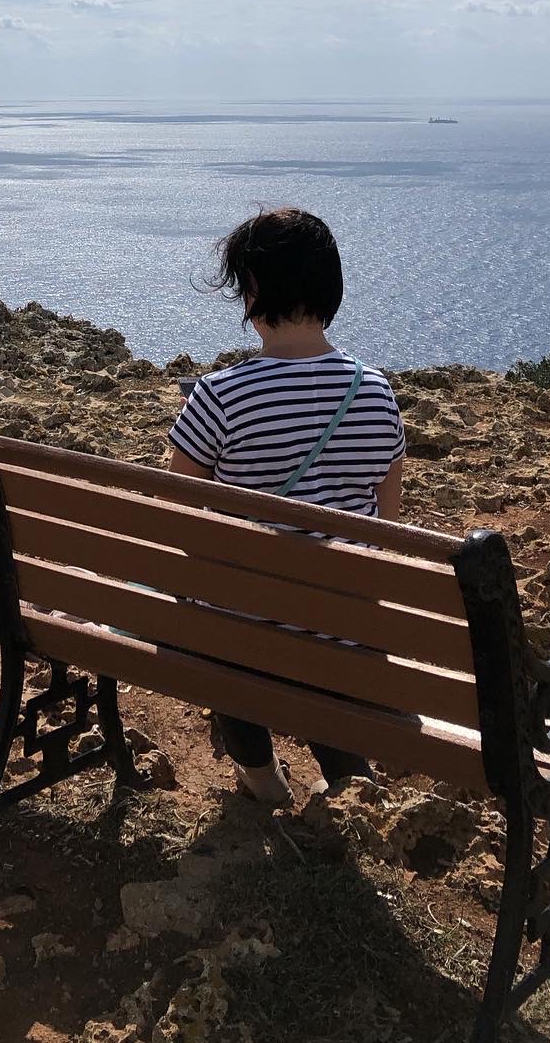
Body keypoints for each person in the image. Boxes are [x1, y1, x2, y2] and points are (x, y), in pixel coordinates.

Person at [167, 206, 406, 808]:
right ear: (331, 287)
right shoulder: (377, 393)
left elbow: (184, 519)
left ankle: (261, 779)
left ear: (252, 290)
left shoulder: (219, 395)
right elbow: (388, 523)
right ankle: (350, 780)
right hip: (344, 627)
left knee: (221, 615)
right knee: (314, 630)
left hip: (244, 630)